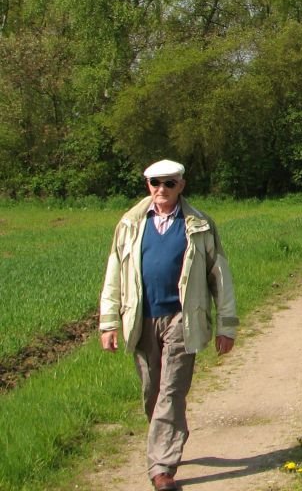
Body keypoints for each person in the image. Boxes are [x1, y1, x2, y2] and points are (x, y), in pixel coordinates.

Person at [99, 159, 238, 491]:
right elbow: (114, 273)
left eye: (169, 183)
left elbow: (220, 275)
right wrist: (108, 321)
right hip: (141, 318)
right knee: (153, 391)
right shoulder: (130, 223)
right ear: (148, 185)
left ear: (181, 185)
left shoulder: (200, 224)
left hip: (182, 318)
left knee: (172, 390)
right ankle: (172, 432)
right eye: (155, 183)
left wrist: (226, 325)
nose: (161, 190)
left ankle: (161, 467)